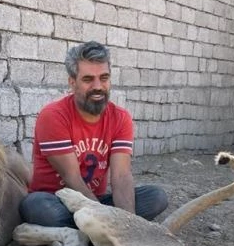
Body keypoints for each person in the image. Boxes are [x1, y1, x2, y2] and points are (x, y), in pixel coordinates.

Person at [19, 41, 168, 229]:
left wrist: (129, 225)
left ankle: (92, 232)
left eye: (104, 78)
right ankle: (99, 230)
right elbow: (71, 178)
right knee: (37, 207)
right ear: (72, 83)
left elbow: (121, 176)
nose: (98, 86)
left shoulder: (121, 118)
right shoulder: (53, 116)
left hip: (96, 201)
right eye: (88, 79)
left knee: (156, 197)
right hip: (57, 201)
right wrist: (107, 218)